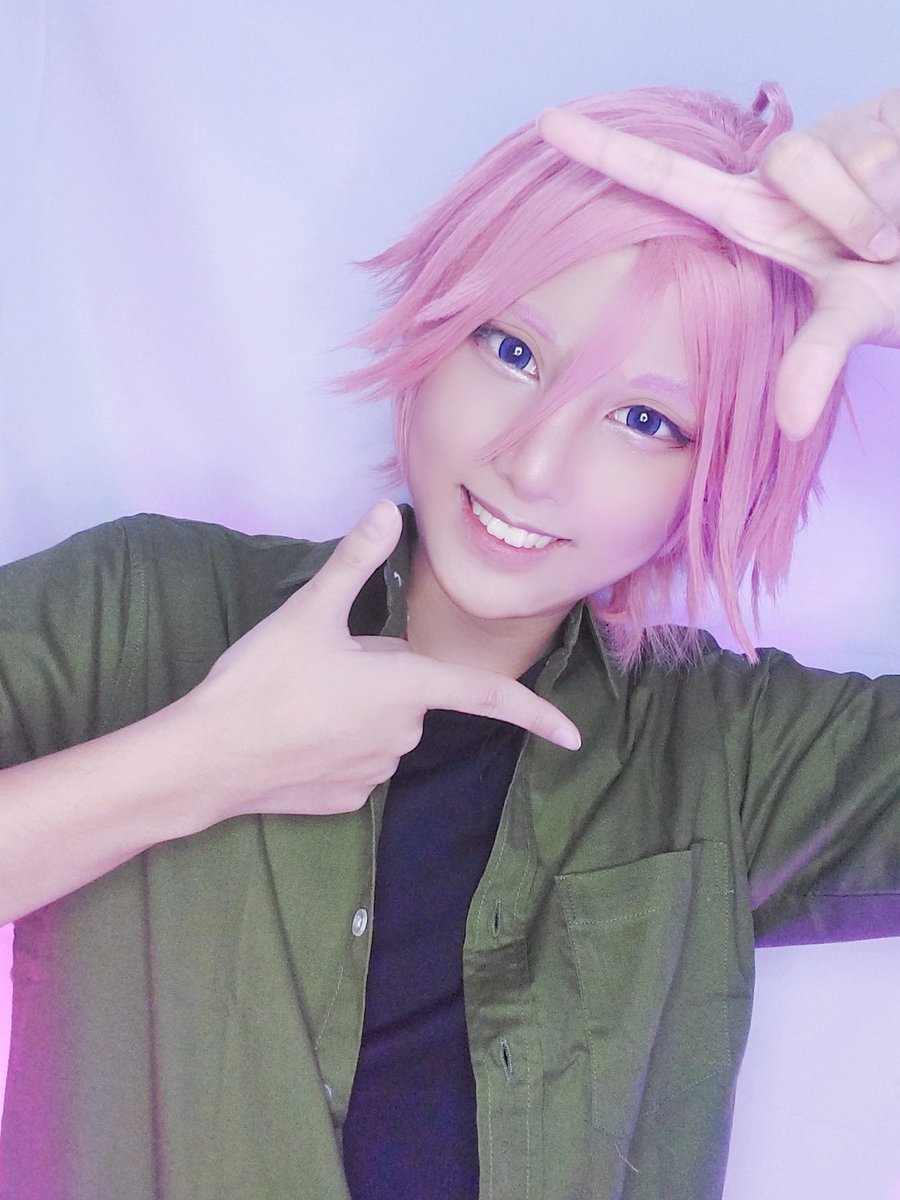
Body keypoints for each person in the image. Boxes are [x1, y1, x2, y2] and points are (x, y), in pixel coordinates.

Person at [0, 82, 898, 1200]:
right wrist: (207, 760)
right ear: (438, 327)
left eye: (644, 420)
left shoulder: (735, 750)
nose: (533, 461)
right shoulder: (139, 608)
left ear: (716, 477)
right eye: (512, 349)